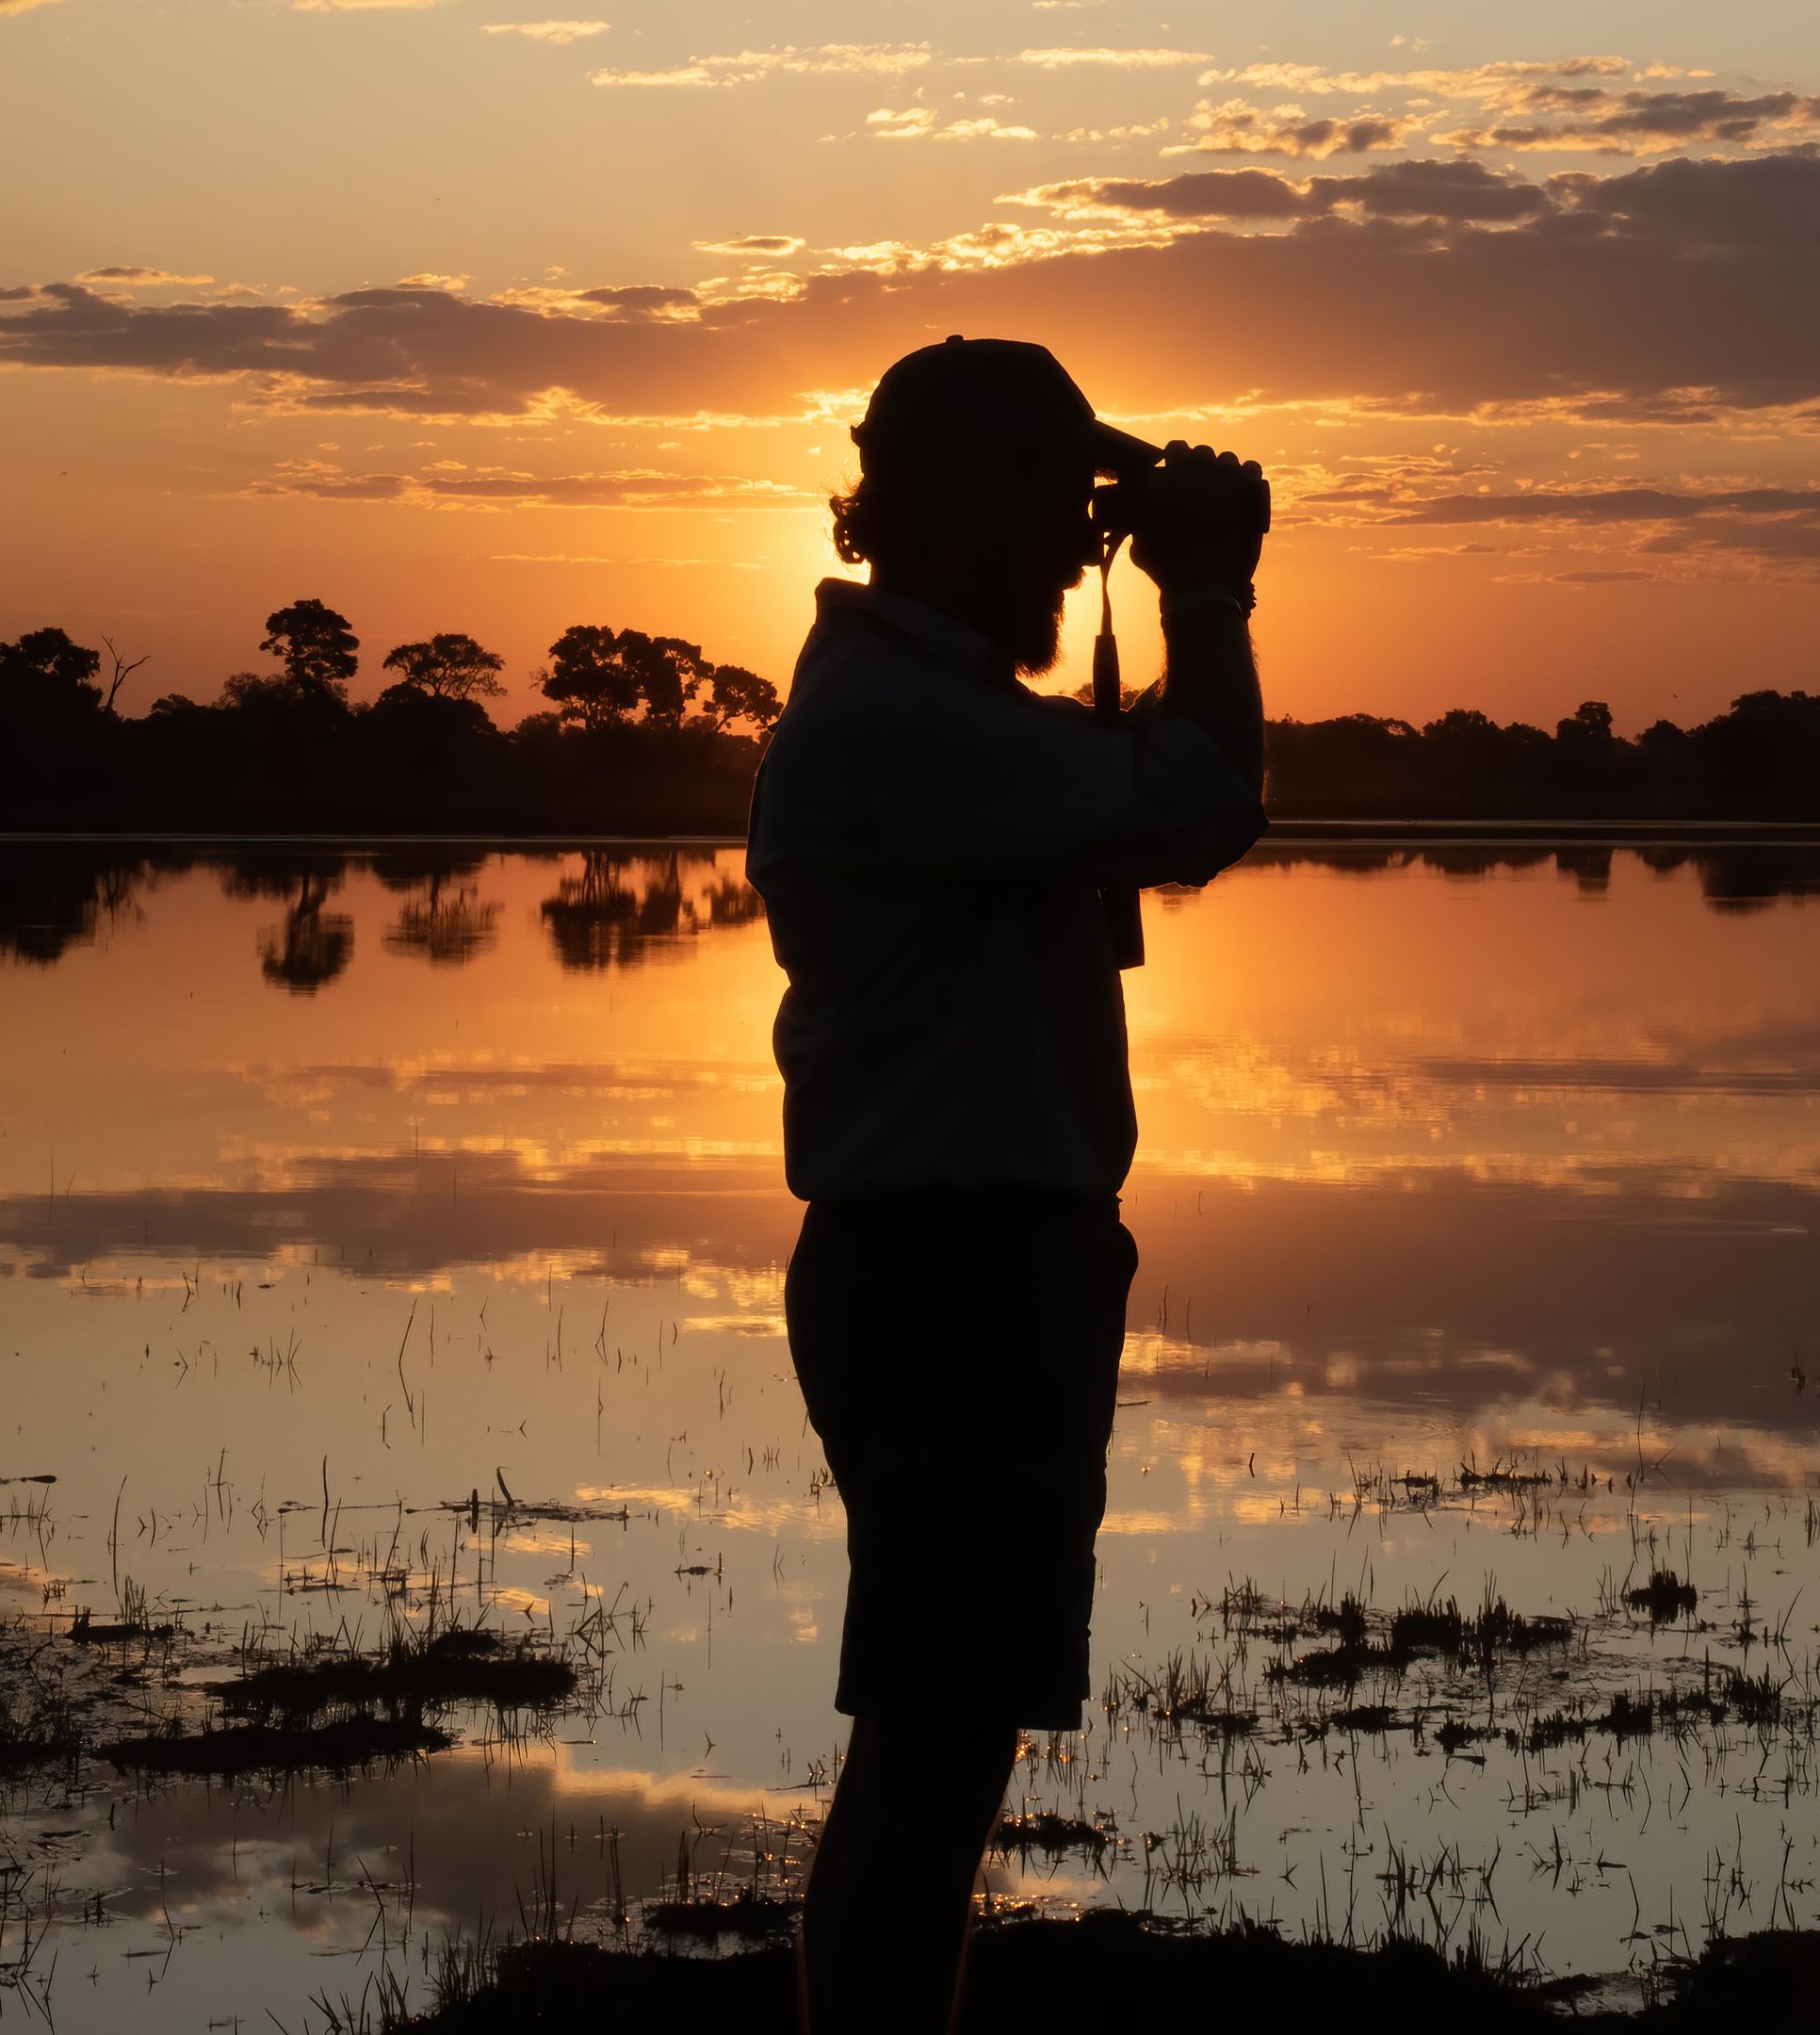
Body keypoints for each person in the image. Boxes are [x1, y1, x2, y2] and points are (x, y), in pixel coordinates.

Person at [746, 335, 1269, 2031]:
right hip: (953, 1266)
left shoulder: (939, 714)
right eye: (1062, 513)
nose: (1077, 550)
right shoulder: (909, 724)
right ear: (967, 514)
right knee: (937, 1740)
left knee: (940, 1733)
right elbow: (1197, 806)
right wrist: (1211, 599)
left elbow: (1144, 811)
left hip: (965, 1258)